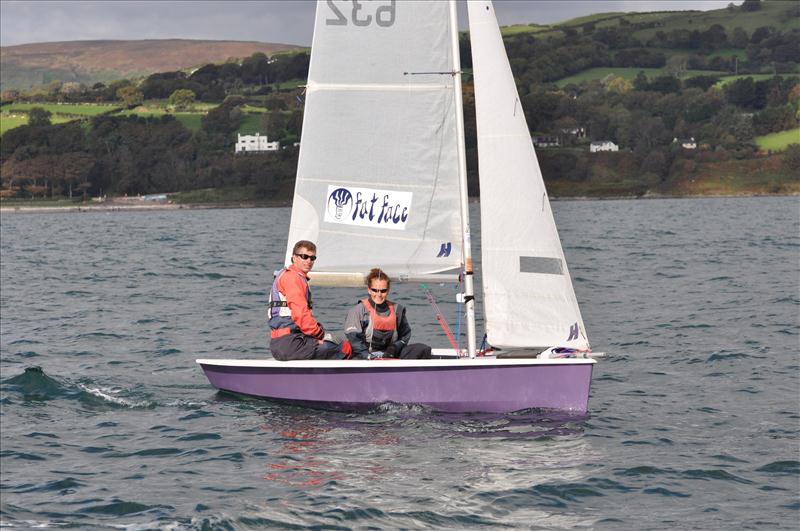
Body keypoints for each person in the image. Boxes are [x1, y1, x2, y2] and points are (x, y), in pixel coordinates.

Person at [268, 240, 351, 360]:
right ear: (294, 258)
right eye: (304, 257)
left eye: (312, 258)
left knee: (332, 345)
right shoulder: (293, 278)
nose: (309, 261)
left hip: (282, 343)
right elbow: (301, 316)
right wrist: (321, 335)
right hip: (292, 343)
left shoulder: (288, 276)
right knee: (344, 348)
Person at [344, 268, 432, 360]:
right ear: (369, 290)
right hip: (363, 356)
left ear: (388, 290)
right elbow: (354, 339)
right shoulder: (357, 311)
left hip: (389, 355)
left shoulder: (397, 310)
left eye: (383, 291)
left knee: (421, 349)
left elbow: (405, 336)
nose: (379, 294)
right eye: (375, 290)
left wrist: (393, 349)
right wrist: (368, 356)